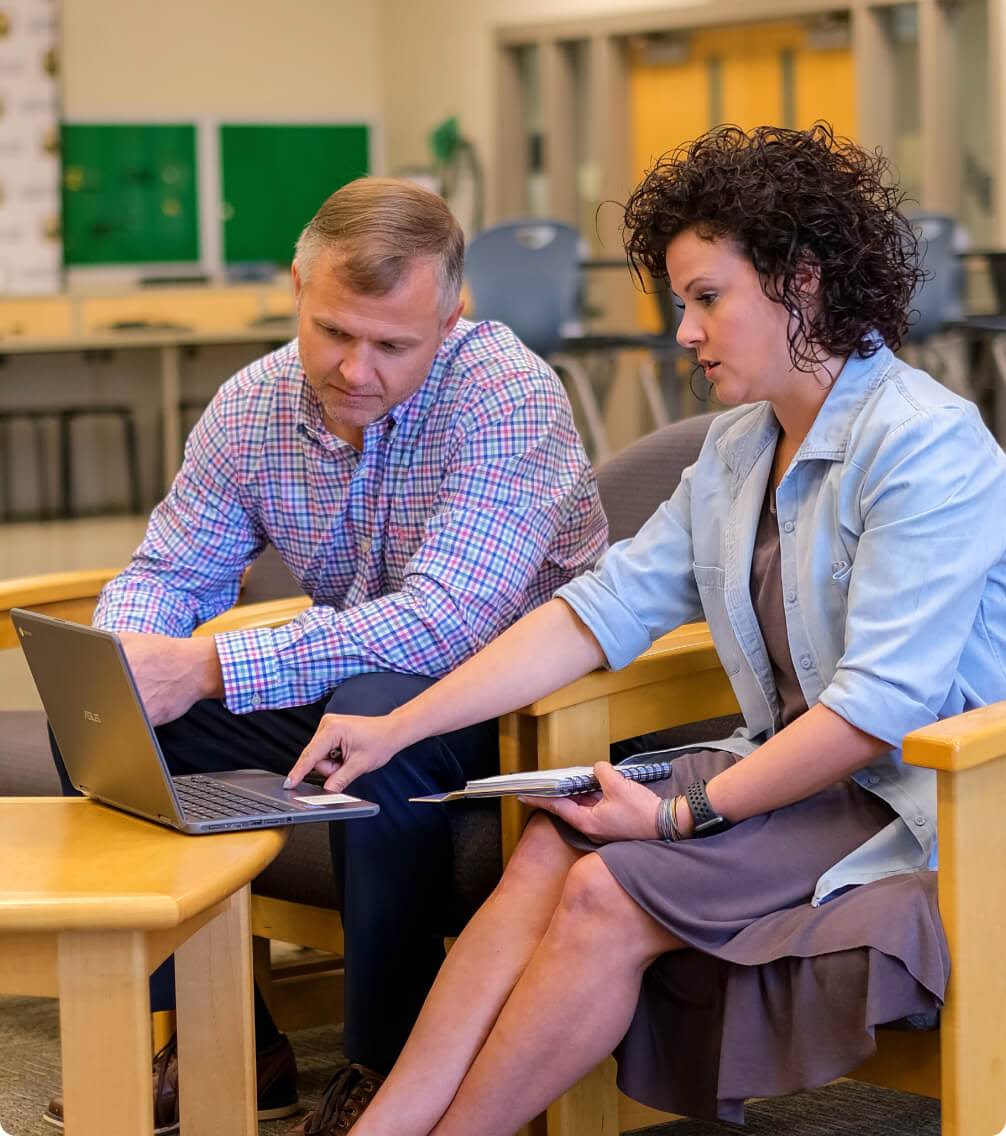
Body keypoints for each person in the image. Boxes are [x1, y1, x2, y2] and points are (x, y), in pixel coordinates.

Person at [286, 124, 1006, 1136]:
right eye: (681, 304)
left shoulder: (924, 444)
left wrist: (678, 816)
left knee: (603, 891)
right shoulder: (737, 450)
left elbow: (877, 712)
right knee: (550, 846)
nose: (683, 332)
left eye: (706, 298)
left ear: (800, 285)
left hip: (917, 799)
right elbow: (595, 612)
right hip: (793, 778)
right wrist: (396, 728)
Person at [46, 177, 607, 1136]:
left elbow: (445, 622)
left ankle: (383, 1068)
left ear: (452, 315)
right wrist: (133, 652)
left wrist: (213, 667)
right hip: (347, 672)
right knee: (105, 722)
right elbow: (172, 568)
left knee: (375, 730)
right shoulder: (253, 403)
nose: (354, 369)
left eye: (393, 345)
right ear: (299, 286)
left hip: (511, 693)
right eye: (333, 331)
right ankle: (230, 1039)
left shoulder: (508, 393)